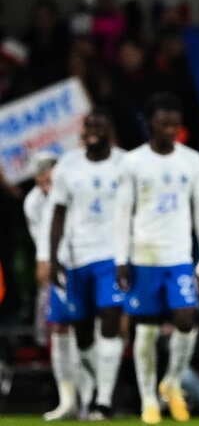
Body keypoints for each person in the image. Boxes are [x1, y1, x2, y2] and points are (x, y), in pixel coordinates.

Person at [115, 93, 199, 424]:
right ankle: (148, 400)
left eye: (175, 124)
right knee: (146, 330)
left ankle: (171, 382)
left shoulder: (192, 160)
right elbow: (122, 213)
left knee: (186, 318)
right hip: (143, 254)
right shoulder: (132, 162)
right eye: (164, 124)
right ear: (149, 125)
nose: (171, 130)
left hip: (178, 255)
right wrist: (120, 258)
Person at [47, 109, 126, 420]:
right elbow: (58, 213)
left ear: (110, 131)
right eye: (88, 125)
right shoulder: (68, 165)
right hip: (77, 256)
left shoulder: (124, 163)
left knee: (109, 319)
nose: (92, 130)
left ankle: (103, 401)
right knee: (81, 332)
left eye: (99, 125)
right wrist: (52, 258)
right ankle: (94, 390)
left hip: (112, 255)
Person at [24, 152, 94, 421]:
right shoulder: (33, 203)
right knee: (59, 330)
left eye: (50, 173)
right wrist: (47, 262)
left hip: (83, 264)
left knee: (87, 330)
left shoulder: (76, 190)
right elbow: (41, 237)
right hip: (58, 268)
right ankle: (67, 400)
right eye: (40, 175)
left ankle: (92, 398)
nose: (46, 179)